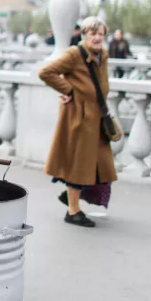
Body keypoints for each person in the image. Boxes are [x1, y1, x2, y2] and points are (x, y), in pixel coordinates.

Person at [38, 16, 118, 228]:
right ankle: (73, 211)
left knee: (99, 164)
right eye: (93, 34)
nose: (97, 38)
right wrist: (68, 90)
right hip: (79, 118)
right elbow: (46, 72)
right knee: (79, 164)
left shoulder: (103, 54)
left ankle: (72, 197)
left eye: (101, 34)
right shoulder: (75, 54)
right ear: (84, 35)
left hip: (96, 116)